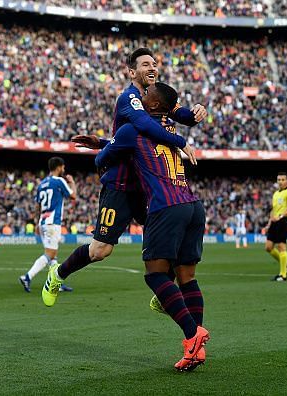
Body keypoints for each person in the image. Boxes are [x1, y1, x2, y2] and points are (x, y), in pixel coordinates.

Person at [42, 47, 206, 306]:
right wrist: (179, 139)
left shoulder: (156, 96)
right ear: (132, 72)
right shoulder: (129, 98)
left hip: (148, 185)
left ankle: (163, 295)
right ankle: (57, 273)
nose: (152, 67)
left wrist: (196, 113)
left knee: (168, 237)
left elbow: (180, 113)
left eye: (154, 63)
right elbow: (141, 126)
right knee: (100, 250)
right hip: (121, 184)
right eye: (144, 64)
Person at [91, 82, 209, 372]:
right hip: (192, 204)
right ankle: (195, 349)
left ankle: (193, 335)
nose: (140, 97)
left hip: (165, 207)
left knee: (155, 276)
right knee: (187, 278)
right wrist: (104, 140)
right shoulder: (169, 131)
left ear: (154, 105)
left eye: (146, 95)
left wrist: (100, 154)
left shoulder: (133, 128)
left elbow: (105, 158)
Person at [19, 157, 76, 292]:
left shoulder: (41, 184)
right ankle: (27, 277)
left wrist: (36, 223)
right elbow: (73, 196)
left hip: (42, 222)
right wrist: (72, 183)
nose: (64, 169)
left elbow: (37, 205)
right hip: (52, 222)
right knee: (50, 253)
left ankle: (56, 283)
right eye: (63, 167)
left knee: (53, 254)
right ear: (58, 167)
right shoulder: (59, 181)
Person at [262, 172, 287, 282]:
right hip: (274, 222)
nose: (280, 182)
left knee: (281, 246)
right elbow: (273, 210)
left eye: (282, 180)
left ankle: (283, 275)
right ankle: (285, 264)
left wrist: (280, 216)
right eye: (278, 180)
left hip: (283, 221)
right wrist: (269, 224)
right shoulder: (275, 194)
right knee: (268, 247)